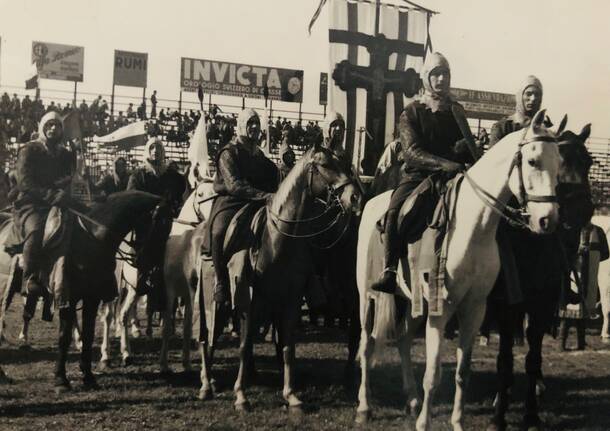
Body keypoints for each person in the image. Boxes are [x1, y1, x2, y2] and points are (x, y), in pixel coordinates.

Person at [370, 52, 473, 294]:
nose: (441, 79)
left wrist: (466, 151)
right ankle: (390, 269)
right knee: (396, 208)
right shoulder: (413, 111)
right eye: (435, 74)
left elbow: (471, 150)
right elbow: (412, 152)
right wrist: (445, 163)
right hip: (419, 177)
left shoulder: (457, 111)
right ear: (426, 77)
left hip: (455, 178)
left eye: (445, 74)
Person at [207, 108, 279, 307]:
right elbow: (234, 185)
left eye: (257, 123)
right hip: (231, 201)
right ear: (241, 126)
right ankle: (220, 281)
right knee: (219, 231)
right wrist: (265, 195)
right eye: (250, 123)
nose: (255, 127)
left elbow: (273, 178)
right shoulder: (228, 152)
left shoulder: (261, 158)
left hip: (259, 203)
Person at [14, 111, 75, 307]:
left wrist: (66, 193)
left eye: (57, 126)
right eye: (49, 125)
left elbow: (70, 178)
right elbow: (24, 182)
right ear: (42, 127)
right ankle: (29, 278)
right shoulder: (29, 150)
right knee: (36, 230)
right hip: (32, 203)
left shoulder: (65, 154)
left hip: (60, 203)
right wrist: (50, 195)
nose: (53, 129)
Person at [558, 221, 609, 350]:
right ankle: (561, 343)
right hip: (574, 274)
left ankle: (581, 343)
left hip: (589, 276)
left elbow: (605, 253)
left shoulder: (598, 231)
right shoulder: (572, 229)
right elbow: (563, 249)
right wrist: (578, 252)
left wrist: (591, 254)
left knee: (583, 313)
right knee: (569, 312)